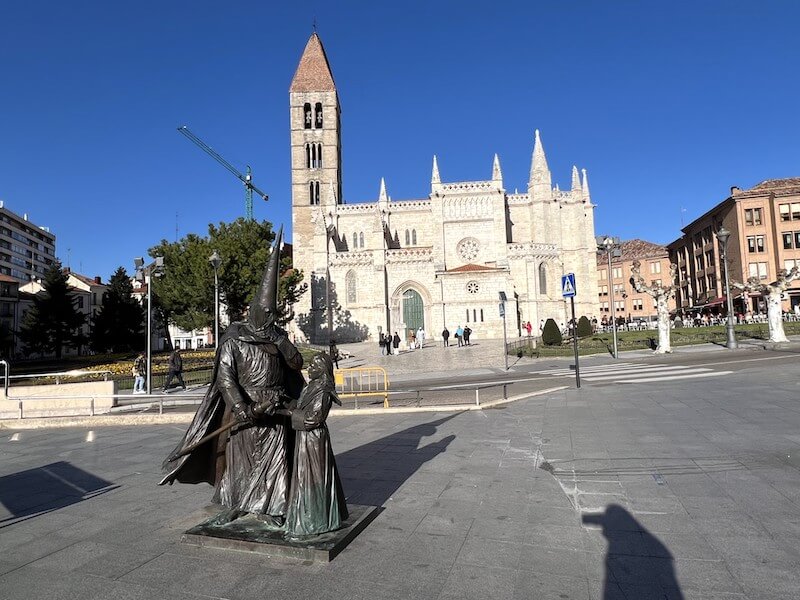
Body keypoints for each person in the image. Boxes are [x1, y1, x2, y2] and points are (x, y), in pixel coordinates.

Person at [160, 228, 305, 527]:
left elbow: (296, 363)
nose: (270, 318)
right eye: (266, 313)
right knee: (242, 460)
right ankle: (237, 504)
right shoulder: (234, 339)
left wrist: (281, 341)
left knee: (275, 458)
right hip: (245, 409)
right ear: (254, 312)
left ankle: (273, 508)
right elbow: (226, 379)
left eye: (272, 314)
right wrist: (243, 409)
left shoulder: (278, 336)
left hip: (275, 406)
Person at [281, 353, 348, 538]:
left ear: (322, 370)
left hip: (314, 440)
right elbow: (302, 405)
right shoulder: (312, 386)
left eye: (313, 366)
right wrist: (285, 402)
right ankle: (306, 518)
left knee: (313, 478)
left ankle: (316, 521)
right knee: (304, 477)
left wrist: (288, 413)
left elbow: (314, 418)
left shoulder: (324, 391)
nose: (309, 369)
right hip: (305, 439)